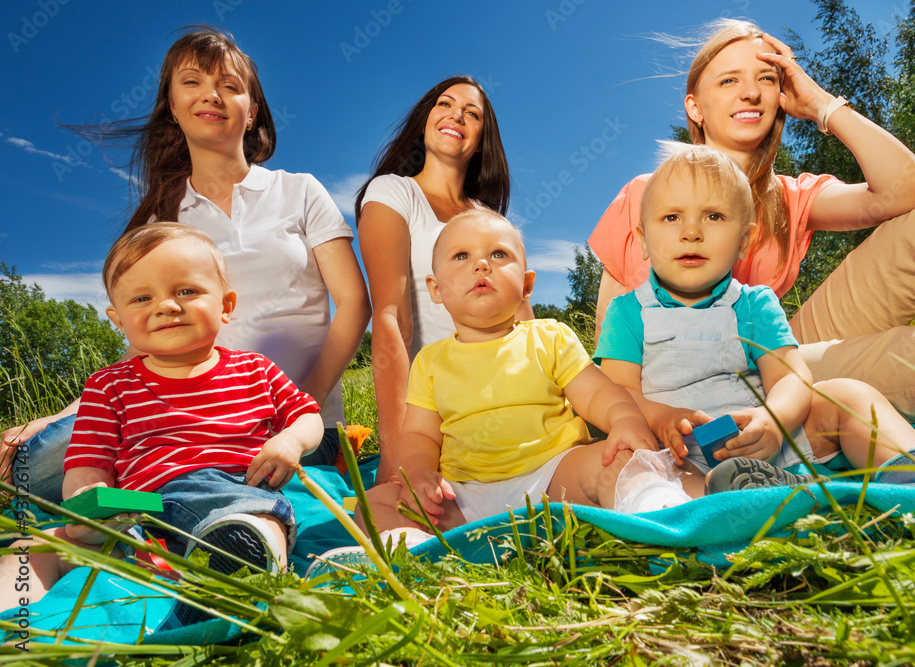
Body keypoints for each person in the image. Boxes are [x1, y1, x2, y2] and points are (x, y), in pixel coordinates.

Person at [1, 28, 370, 500]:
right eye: (192, 81)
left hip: (286, 419)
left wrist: (306, 412)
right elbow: (149, 340)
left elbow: (354, 304)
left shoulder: (299, 190)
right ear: (172, 106)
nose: (212, 95)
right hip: (174, 413)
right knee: (30, 457)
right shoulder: (164, 219)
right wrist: (59, 417)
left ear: (252, 109)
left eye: (231, 86)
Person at [588, 18, 915, 427]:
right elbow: (614, 340)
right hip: (710, 384)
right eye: (729, 81)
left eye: (766, 79)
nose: (750, 93)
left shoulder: (789, 196)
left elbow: (912, 189)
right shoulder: (649, 197)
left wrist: (821, 103)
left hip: (778, 350)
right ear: (695, 107)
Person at [361, 209, 828, 535]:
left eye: (499, 255)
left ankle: (667, 517)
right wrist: (419, 473)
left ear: (526, 283)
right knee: (375, 502)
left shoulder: (548, 337)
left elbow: (599, 394)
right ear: (436, 288)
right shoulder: (431, 361)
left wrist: (624, 423)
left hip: (552, 478)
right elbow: (419, 436)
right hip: (462, 495)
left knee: (617, 462)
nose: (481, 263)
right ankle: (406, 546)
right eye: (461, 257)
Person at [595, 144, 915, 491]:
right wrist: (660, 416)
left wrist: (776, 419)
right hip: (679, 454)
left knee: (849, 395)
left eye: (713, 216)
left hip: (767, 437)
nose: (692, 232)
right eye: (671, 217)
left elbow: (789, 376)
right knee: (627, 465)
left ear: (744, 241)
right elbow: (619, 393)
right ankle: (743, 499)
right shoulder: (630, 312)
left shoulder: (753, 304)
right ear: (644, 240)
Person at [0, 223, 323, 610]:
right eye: (141, 298)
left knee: (257, 523)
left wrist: (291, 441)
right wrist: (87, 501)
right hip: (135, 512)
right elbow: (88, 460)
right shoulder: (108, 385)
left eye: (186, 291)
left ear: (226, 306)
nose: (166, 306)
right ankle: (14, 629)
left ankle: (235, 580)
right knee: (30, 546)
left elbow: (307, 415)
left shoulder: (254, 368)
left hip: (231, 490)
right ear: (118, 320)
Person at [354, 76, 531, 487]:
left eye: (472, 113)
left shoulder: (492, 219)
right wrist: (395, 450)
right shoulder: (393, 193)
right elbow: (391, 319)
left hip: (504, 397)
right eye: (445, 104)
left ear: (482, 138)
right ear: (424, 122)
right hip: (434, 410)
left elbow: (523, 324)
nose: (457, 115)